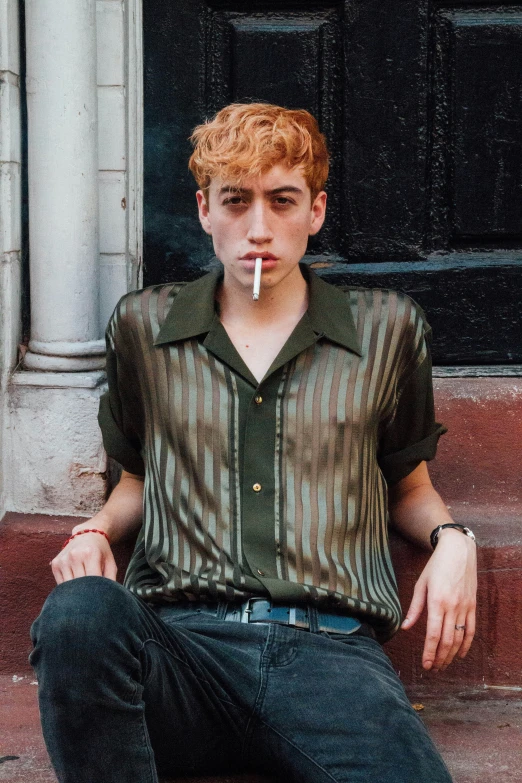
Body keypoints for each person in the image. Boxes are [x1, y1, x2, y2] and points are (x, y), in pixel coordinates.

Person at [29, 103, 477, 783]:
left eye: (282, 200)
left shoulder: (388, 329)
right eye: (236, 201)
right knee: (79, 614)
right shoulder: (144, 327)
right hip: (181, 649)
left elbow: (407, 484)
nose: (259, 228)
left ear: (316, 211)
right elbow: (137, 481)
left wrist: (454, 540)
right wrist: (94, 530)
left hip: (329, 655)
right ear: (206, 209)